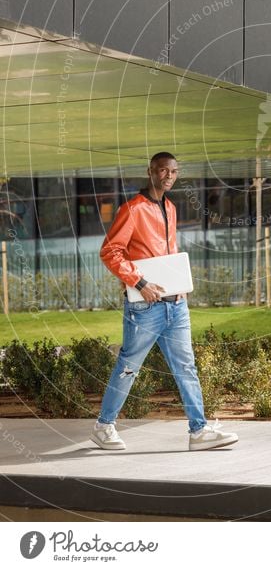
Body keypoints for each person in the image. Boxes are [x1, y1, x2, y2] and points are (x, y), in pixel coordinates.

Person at [90, 152, 238, 452]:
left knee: (187, 367)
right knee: (129, 367)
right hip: (145, 307)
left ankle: (199, 431)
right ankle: (104, 427)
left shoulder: (170, 207)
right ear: (150, 172)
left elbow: (165, 251)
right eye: (162, 170)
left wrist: (180, 283)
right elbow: (110, 251)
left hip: (176, 304)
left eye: (173, 171)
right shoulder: (132, 209)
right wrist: (139, 282)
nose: (168, 176)